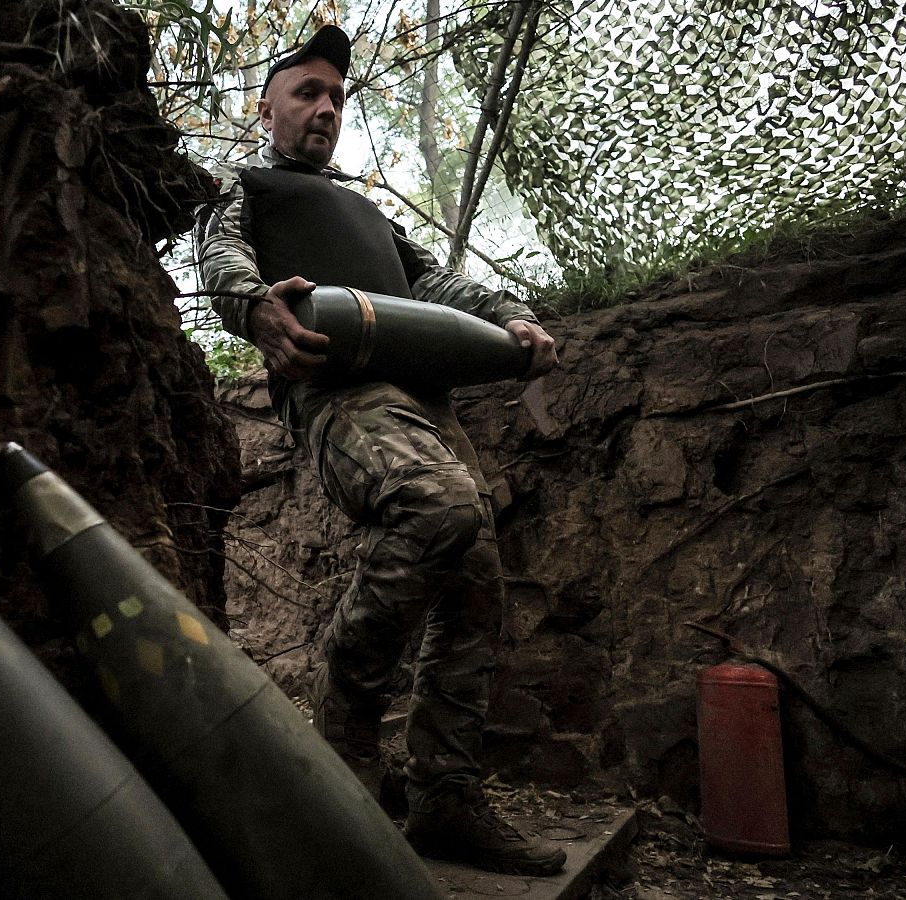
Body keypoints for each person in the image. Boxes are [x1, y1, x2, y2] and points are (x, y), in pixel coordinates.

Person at [193, 24, 567, 877]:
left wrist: (507, 314)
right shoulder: (243, 181)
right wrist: (254, 307)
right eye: (306, 93)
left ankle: (447, 800)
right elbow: (218, 251)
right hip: (341, 396)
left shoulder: (364, 208)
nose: (324, 108)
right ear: (268, 107)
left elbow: (432, 280)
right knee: (440, 507)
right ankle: (346, 724)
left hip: (429, 401)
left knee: (476, 592)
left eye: (335, 97)